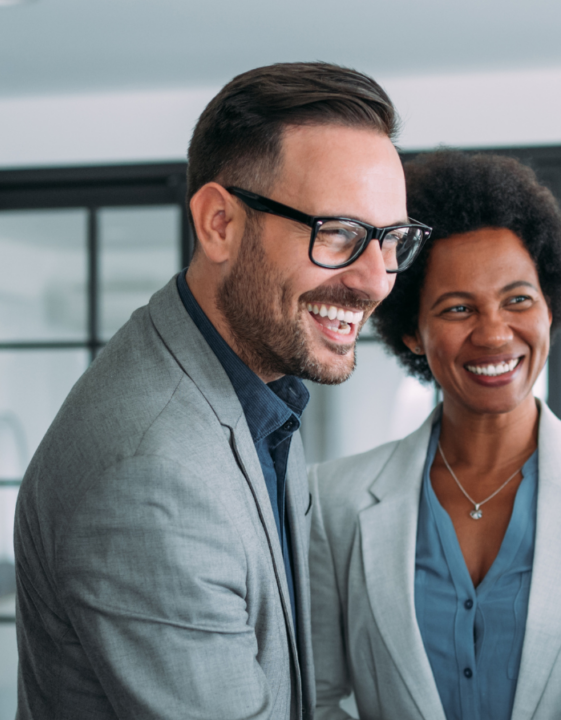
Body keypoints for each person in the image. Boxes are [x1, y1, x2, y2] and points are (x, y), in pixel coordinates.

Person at [12, 62, 420, 720]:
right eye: (339, 233)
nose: (376, 280)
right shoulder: (151, 474)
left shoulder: (252, 382)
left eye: (392, 239)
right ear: (220, 224)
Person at [308, 149, 561, 720]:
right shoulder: (335, 502)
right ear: (411, 331)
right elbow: (317, 697)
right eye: (459, 308)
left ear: (551, 308)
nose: (494, 333)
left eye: (518, 300)